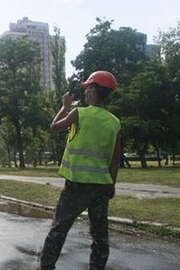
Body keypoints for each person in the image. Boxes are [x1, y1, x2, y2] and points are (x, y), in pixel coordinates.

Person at [39, 70, 122, 270]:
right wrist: (112, 183)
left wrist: (65, 106)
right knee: (100, 235)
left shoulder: (80, 113)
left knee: (59, 228)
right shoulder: (114, 122)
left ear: (94, 89)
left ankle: (46, 267)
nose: (85, 92)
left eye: (88, 88)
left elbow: (55, 126)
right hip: (101, 186)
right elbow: (115, 158)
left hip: (77, 184)